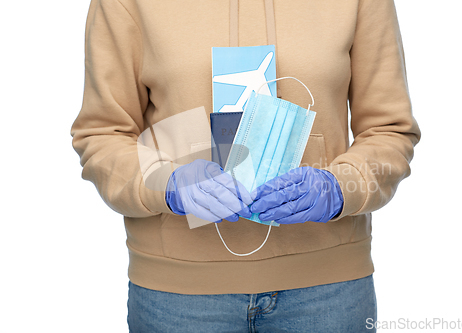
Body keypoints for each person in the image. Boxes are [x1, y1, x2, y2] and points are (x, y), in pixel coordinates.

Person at [71, 0, 420, 331]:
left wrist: (340, 187)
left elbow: (389, 129)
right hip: (179, 296)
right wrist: (167, 182)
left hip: (327, 290)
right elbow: (102, 134)